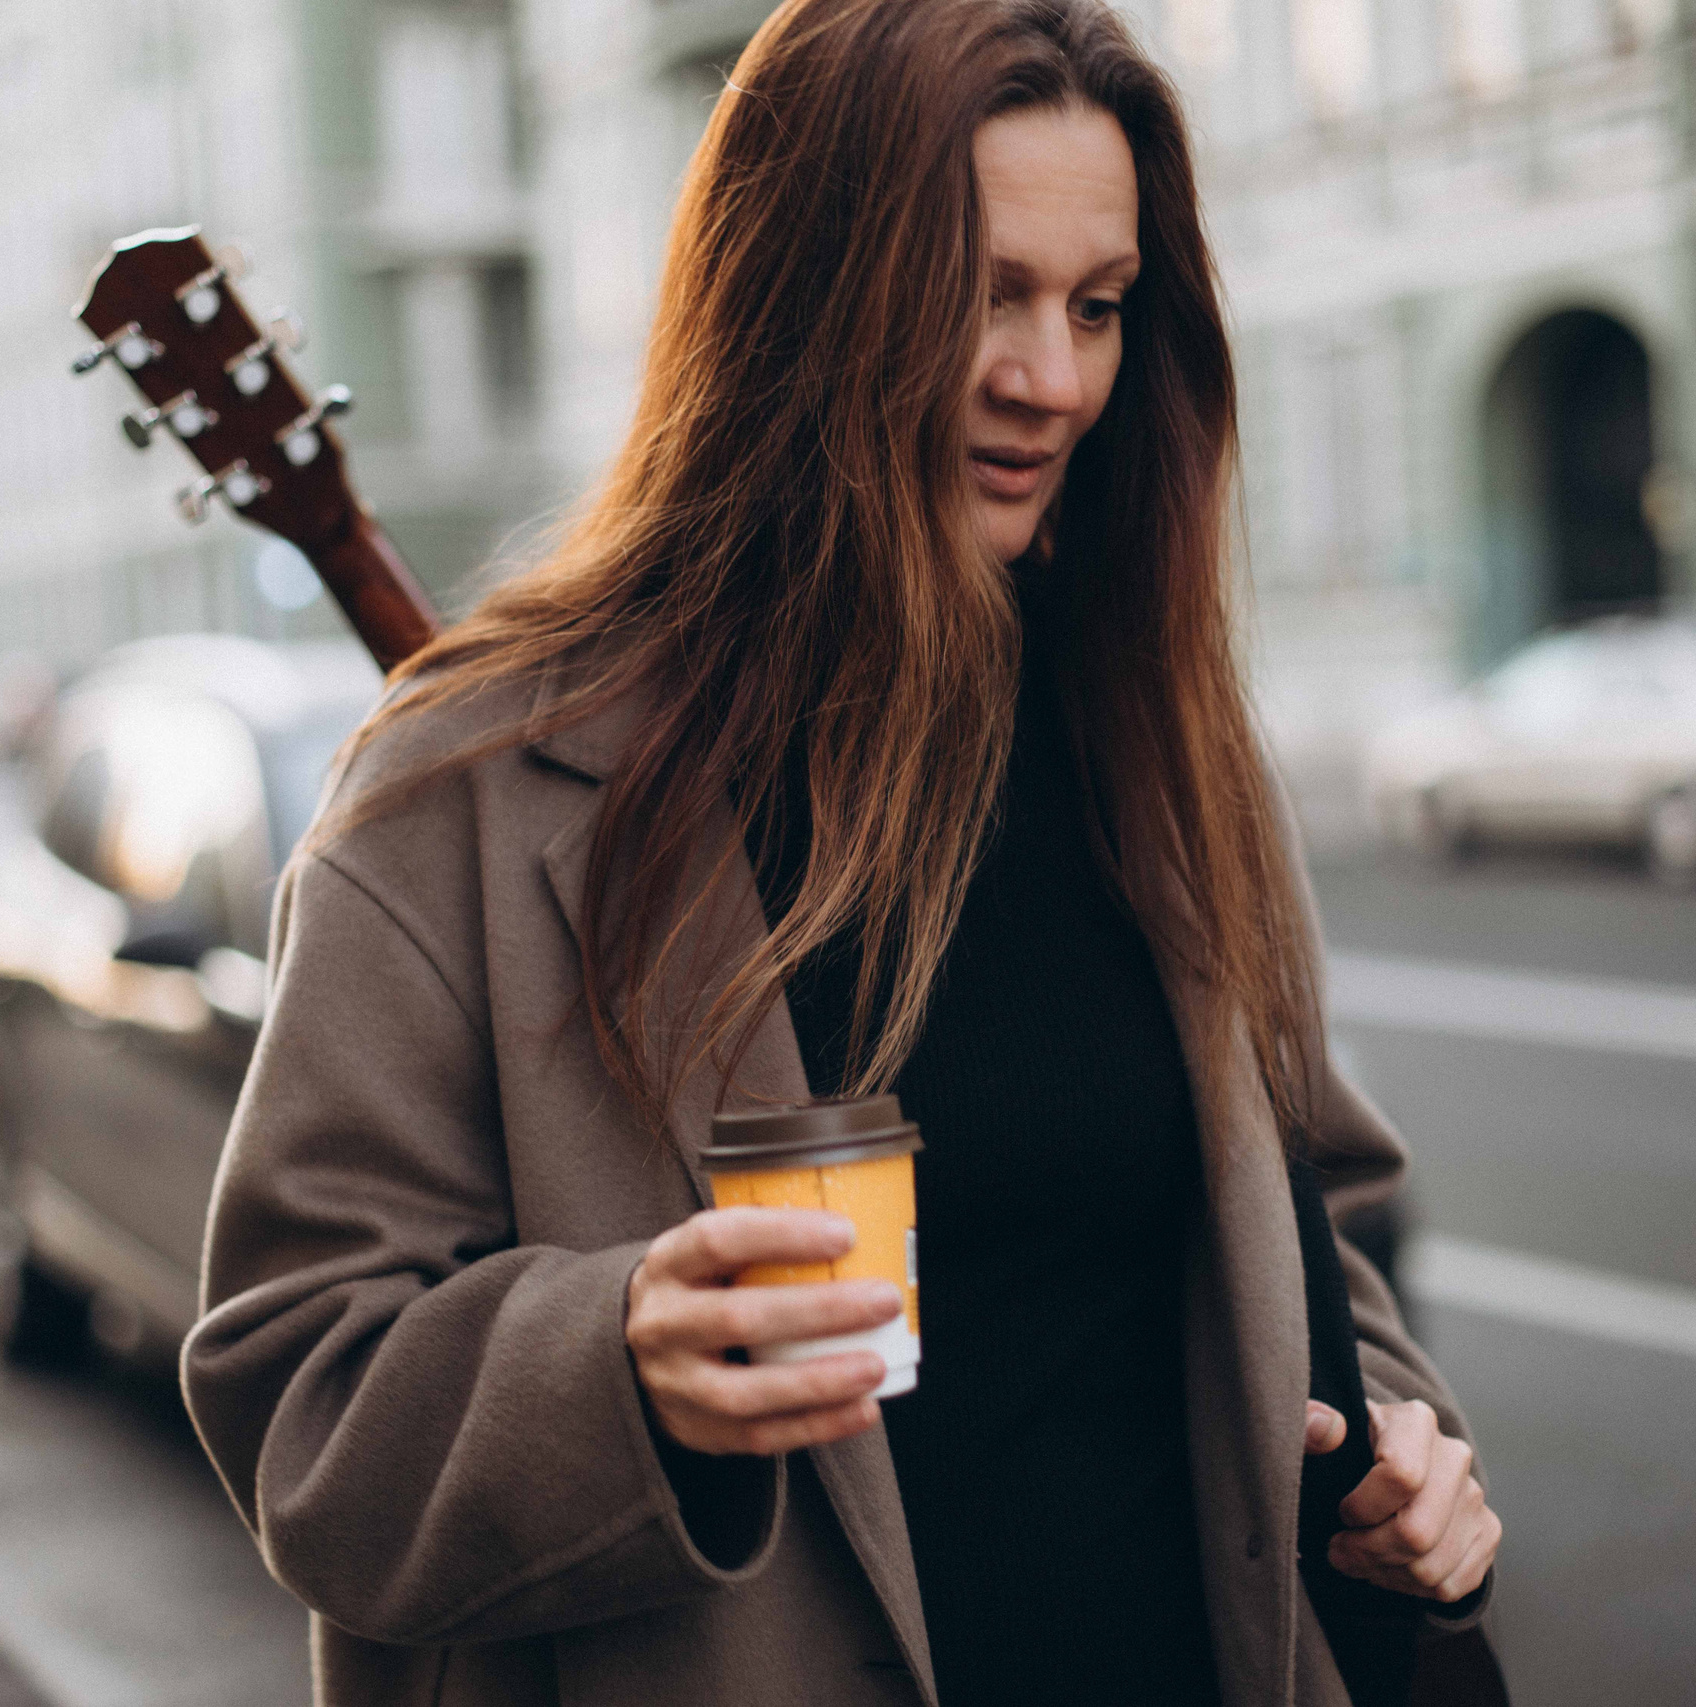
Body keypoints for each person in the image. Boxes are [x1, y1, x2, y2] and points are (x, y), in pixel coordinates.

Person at [180, 0, 1501, 1702]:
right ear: (798, 299)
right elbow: (302, 1405)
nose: (1054, 379)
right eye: (982, 297)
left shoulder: (1161, 741)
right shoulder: (466, 790)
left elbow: (1323, 1219)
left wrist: (1413, 1463)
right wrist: (623, 1369)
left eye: (1099, 307)